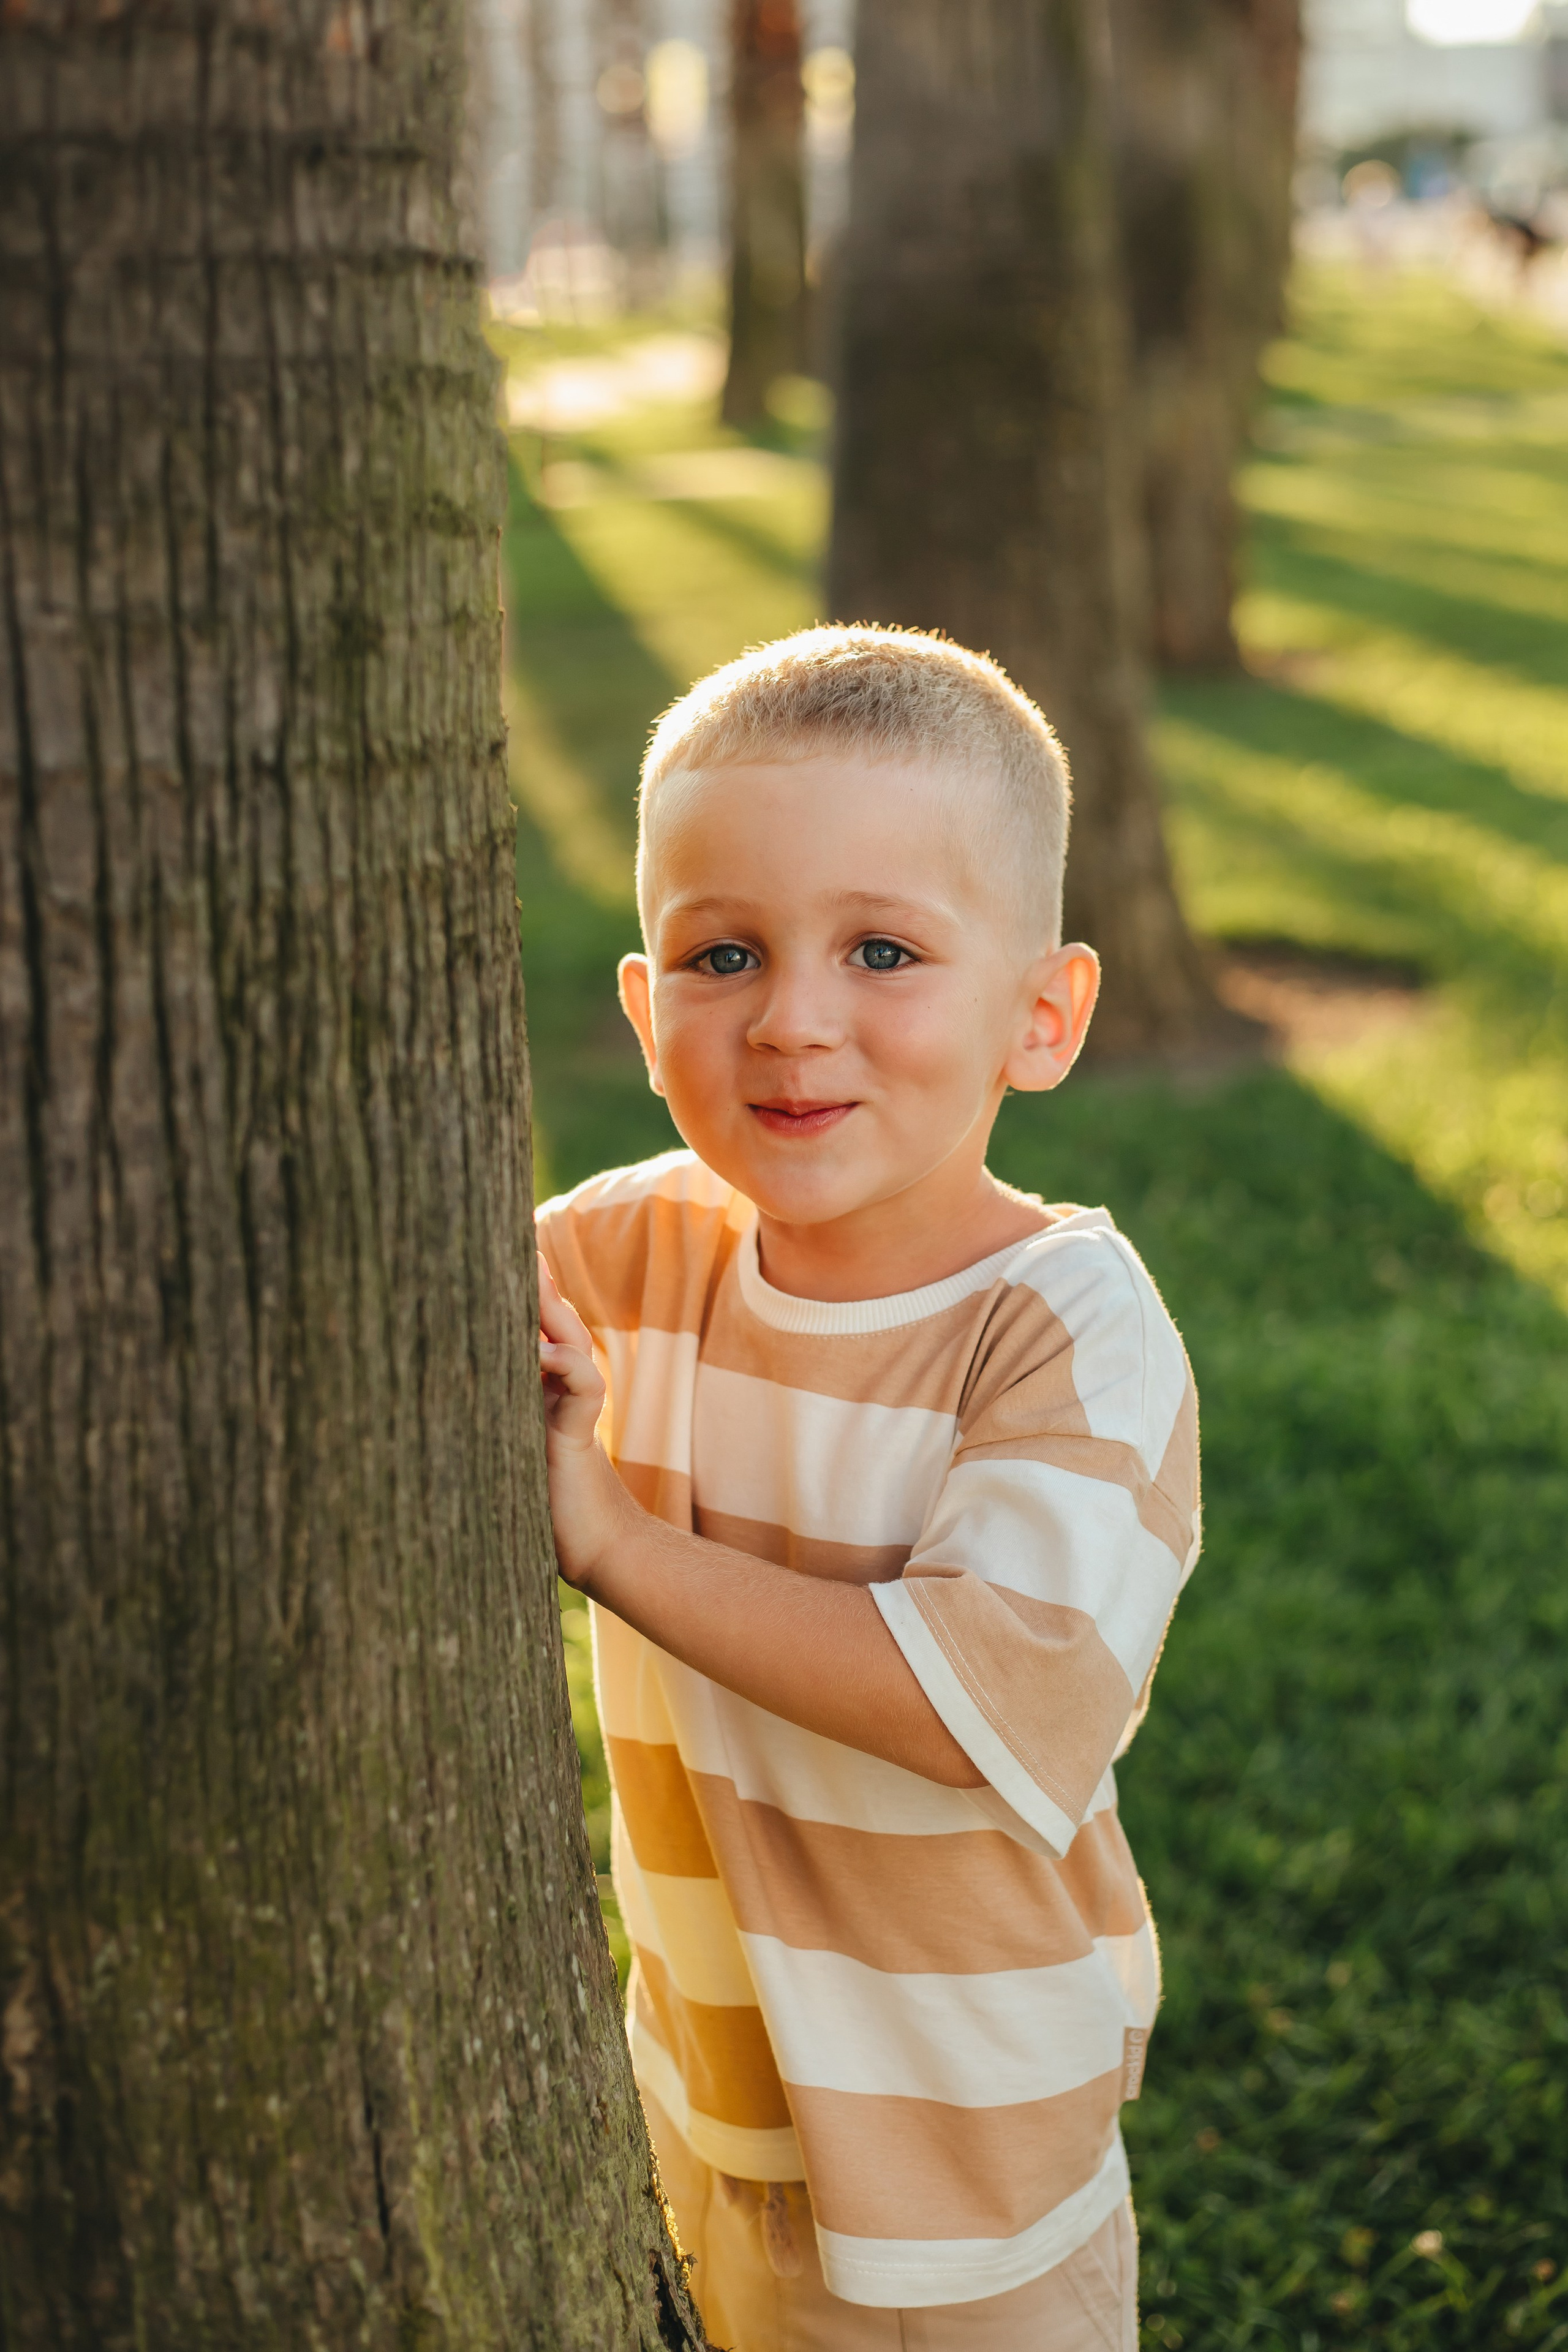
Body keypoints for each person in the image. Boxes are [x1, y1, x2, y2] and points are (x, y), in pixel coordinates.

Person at [536, 626, 1200, 2352]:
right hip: (701, 2088)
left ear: (1041, 1016)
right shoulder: (639, 1247)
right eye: (725, 952)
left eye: (884, 950)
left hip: (963, 2159)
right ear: (644, 1001)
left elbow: (975, 1695)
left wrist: (611, 1543)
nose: (792, 1022)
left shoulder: (1062, 1331)